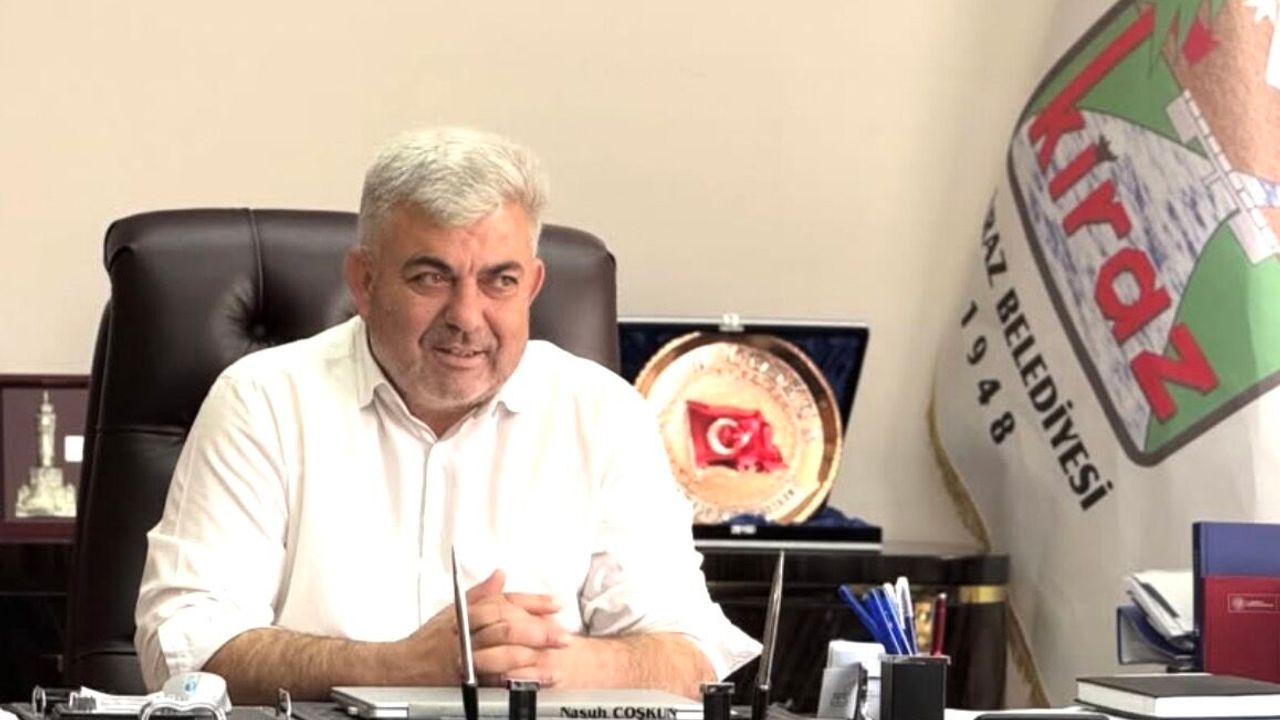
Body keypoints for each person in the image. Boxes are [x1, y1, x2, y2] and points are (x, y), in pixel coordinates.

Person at [133, 128, 760, 703]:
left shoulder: (603, 413)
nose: (466, 316)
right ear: (364, 280)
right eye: (432, 278)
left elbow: (692, 656)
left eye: (499, 281)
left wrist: (543, 662)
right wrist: (401, 667)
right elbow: (185, 647)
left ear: (533, 286)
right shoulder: (263, 400)